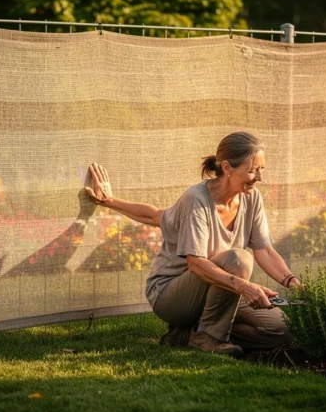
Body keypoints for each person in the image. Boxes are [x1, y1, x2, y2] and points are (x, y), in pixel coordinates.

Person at [84, 131, 300, 358]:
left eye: (261, 170)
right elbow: (196, 264)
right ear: (227, 168)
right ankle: (209, 337)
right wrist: (245, 287)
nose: (259, 177)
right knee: (238, 259)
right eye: (252, 170)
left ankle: (190, 335)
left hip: (221, 290)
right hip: (171, 296)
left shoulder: (251, 197)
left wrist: (293, 283)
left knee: (283, 328)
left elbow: (264, 250)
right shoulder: (196, 200)